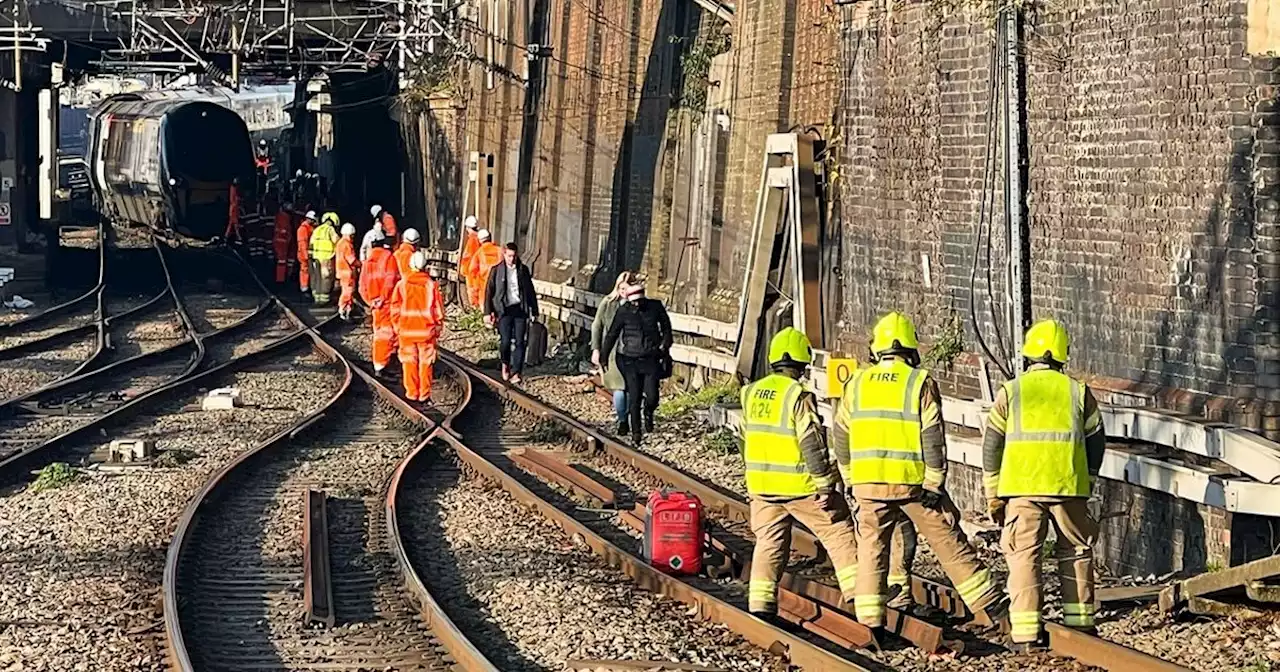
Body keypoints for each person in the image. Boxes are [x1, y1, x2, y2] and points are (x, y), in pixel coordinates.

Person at [834, 311, 1006, 644]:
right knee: (948, 541)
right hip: (913, 486)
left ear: (877, 349)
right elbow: (933, 436)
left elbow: (841, 435)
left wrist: (850, 478)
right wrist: (934, 482)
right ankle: (994, 607)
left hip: (869, 485)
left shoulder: (856, 383)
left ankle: (871, 624)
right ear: (910, 350)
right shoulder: (919, 382)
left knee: (871, 550)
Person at [983, 319, 1104, 652]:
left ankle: (1025, 635)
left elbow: (991, 445)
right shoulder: (1078, 391)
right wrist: (1088, 478)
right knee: (1077, 552)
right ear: (1062, 355)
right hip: (1068, 487)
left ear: (1028, 354)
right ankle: (1081, 624)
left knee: (1024, 557)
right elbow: (1096, 440)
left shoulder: (1012, 391)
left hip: (1021, 490)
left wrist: (993, 494)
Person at [739, 327, 861, 628]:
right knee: (838, 532)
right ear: (803, 365)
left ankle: (760, 605)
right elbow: (811, 441)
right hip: (799, 485)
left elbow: (744, 438)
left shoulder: (750, 392)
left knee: (769, 543)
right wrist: (824, 484)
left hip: (762, 486)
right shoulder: (797, 395)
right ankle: (861, 598)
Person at [600, 283, 671, 445]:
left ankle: (648, 411)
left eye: (639, 301)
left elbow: (667, 327)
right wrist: (604, 356)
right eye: (634, 302)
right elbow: (612, 334)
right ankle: (636, 433)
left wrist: (665, 345)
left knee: (652, 396)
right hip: (629, 359)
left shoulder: (655, 307)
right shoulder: (623, 311)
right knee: (634, 396)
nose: (637, 305)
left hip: (651, 358)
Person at [391, 251, 445, 402]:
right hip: (426, 332)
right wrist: (438, 328)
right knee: (426, 363)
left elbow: (395, 308)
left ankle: (411, 393)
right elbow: (438, 310)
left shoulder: (402, 285)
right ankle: (424, 394)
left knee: (409, 362)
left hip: (406, 332)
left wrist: (397, 327)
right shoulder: (431, 285)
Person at [483, 242, 539, 384]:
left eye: (514, 256)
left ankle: (517, 372)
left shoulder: (523, 270)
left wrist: (534, 310)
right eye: (509, 256)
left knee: (520, 342)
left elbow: (530, 291)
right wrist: (488, 312)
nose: (511, 259)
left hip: (520, 309)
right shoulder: (497, 270)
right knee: (506, 341)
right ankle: (505, 363)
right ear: (504, 254)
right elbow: (489, 291)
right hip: (504, 310)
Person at [592, 271, 636, 434]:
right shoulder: (608, 303)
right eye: (621, 288)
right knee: (619, 387)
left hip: (632, 351)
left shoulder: (637, 305)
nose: (624, 292)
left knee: (631, 387)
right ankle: (623, 419)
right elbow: (597, 325)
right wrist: (596, 349)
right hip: (612, 352)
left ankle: (628, 418)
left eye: (627, 289)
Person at [359, 236, 401, 377]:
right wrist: (382, 299)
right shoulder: (388, 257)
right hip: (387, 304)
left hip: (375, 305)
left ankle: (385, 362)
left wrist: (371, 302)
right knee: (387, 334)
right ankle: (382, 366)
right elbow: (390, 281)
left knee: (380, 334)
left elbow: (361, 287)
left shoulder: (367, 261)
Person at [466, 229, 502, 312]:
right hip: (500, 290)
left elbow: (472, 273)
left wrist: (473, 297)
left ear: (480, 241)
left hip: (484, 289)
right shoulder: (500, 251)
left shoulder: (479, 253)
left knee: (486, 315)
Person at [309, 212, 340, 305]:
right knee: (326, 278)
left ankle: (316, 298)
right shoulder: (330, 230)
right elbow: (337, 242)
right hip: (326, 258)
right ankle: (324, 300)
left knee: (317, 278)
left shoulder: (317, 229)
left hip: (316, 258)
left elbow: (311, 243)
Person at [335, 223, 360, 320]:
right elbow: (352, 260)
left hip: (342, 272)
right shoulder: (347, 245)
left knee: (346, 291)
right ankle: (343, 310)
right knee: (348, 292)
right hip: (348, 273)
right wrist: (361, 264)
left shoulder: (340, 243)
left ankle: (348, 310)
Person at [458, 215, 481, 308]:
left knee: (473, 293)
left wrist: (463, 269)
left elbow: (470, 257)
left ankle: (474, 311)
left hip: (472, 272)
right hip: (475, 271)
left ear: (467, 227)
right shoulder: (478, 238)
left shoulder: (472, 240)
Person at [295, 210, 317, 297]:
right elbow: (302, 244)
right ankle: (304, 288)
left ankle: (308, 287)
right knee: (305, 271)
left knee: (310, 271)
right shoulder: (303, 229)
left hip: (310, 254)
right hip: (304, 255)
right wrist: (306, 256)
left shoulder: (310, 227)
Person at [272, 203, 293, 284]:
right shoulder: (284, 217)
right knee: (282, 261)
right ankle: (280, 280)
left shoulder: (281, 216)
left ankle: (283, 278)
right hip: (282, 242)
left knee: (282, 261)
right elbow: (284, 231)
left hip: (282, 242)